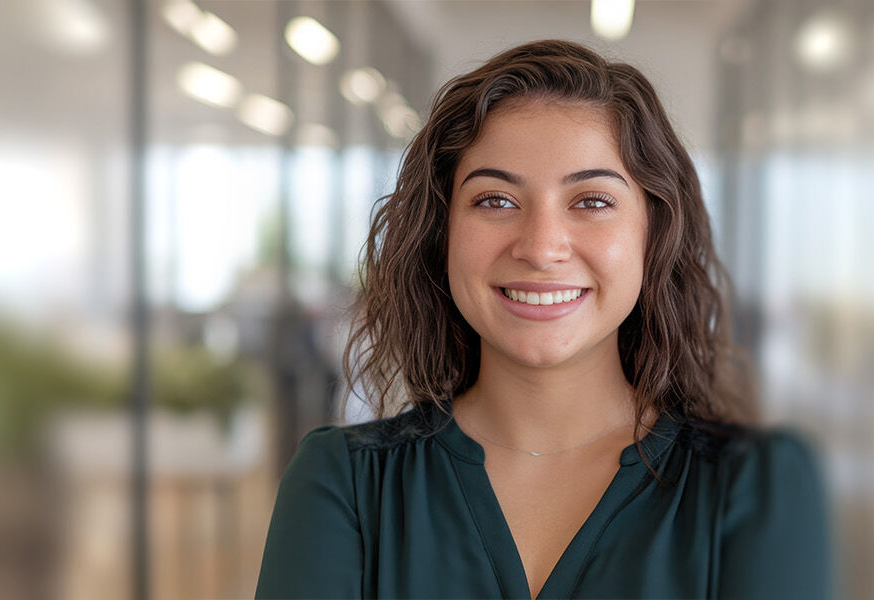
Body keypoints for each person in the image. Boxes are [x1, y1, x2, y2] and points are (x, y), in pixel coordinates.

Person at [254, 40, 831, 599]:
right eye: (496, 201)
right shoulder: (345, 484)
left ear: (653, 234)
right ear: (442, 234)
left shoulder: (756, 489)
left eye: (592, 201)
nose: (541, 246)